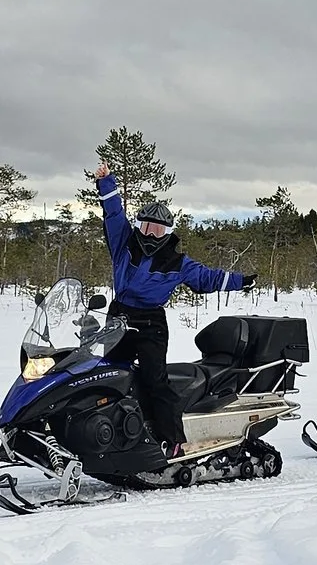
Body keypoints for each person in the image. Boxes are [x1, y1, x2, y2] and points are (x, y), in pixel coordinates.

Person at [91, 162, 252, 455]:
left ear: (168, 233)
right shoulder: (123, 243)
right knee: (108, 375)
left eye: (158, 229)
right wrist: (106, 181)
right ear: (138, 226)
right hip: (119, 316)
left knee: (155, 380)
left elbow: (207, 277)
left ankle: (172, 441)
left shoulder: (176, 262)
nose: (151, 235)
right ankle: (108, 432)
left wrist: (239, 281)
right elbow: (113, 213)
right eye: (146, 227)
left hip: (150, 323)